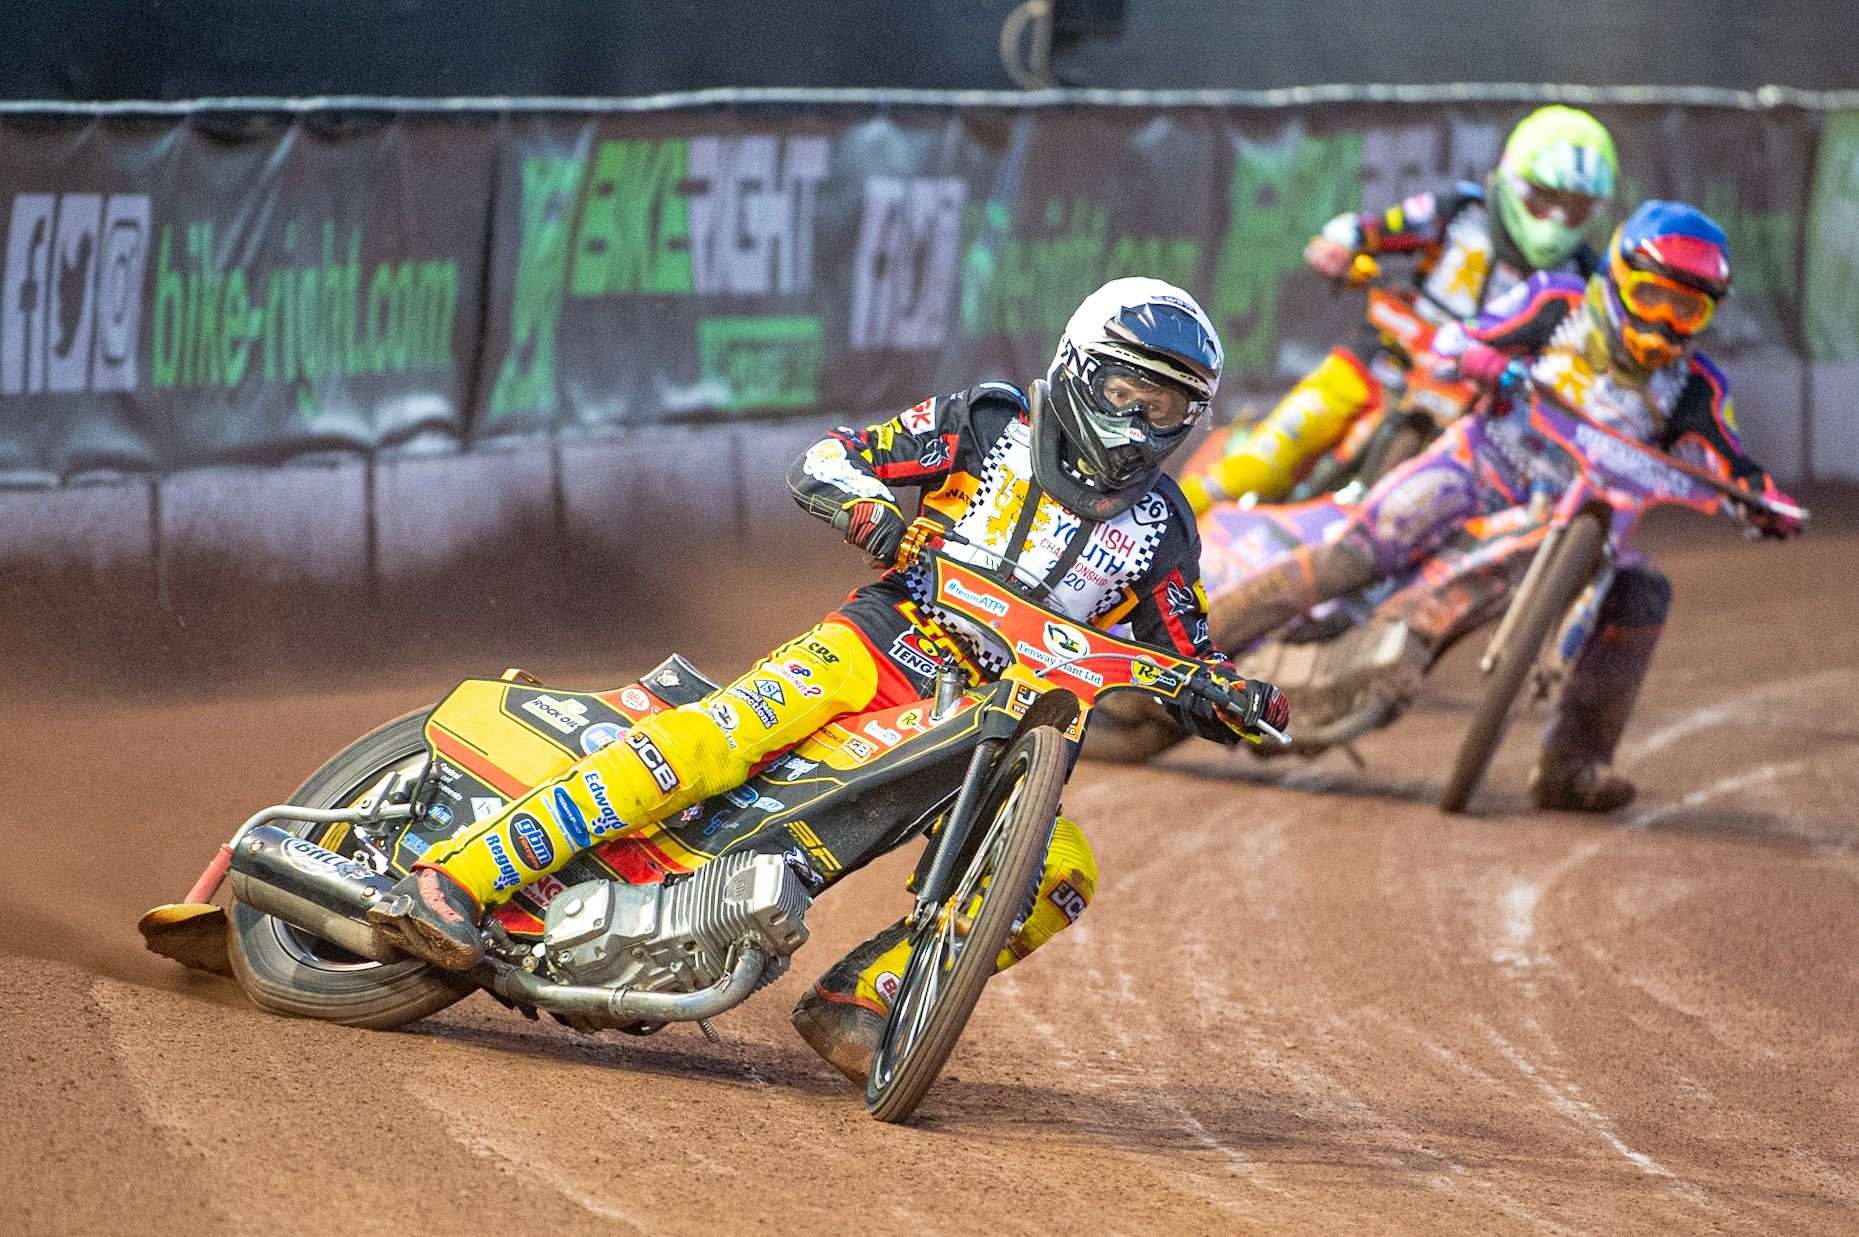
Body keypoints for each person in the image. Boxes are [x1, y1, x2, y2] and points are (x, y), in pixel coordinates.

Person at [368, 278, 1288, 1082]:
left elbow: (1184, 650)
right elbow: (828, 457)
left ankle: (862, 999)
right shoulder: (989, 424)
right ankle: (463, 874)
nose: (1143, 419)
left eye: (1169, 407)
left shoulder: (1164, 527)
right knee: (712, 740)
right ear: (1083, 369)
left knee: (1062, 870)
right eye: (1130, 389)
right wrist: (869, 514)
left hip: (985, 732)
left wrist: (1234, 695)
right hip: (876, 648)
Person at [1188, 201, 1798, 811]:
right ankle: (1188, 655)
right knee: (1354, 557)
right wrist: (1479, 356)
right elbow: (1458, 339)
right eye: (1653, 297)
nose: (1665, 321)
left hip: (1571, 519)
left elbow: (1729, 462)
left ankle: (1573, 766)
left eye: (1687, 308)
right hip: (1478, 466)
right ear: (1617, 276)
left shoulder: (1697, 387)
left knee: (1644, 591)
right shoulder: (1560, 305)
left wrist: (1763, 502)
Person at [1179, 105, 1620, 515]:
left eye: (1576, 207)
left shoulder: (1585, 278)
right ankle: (1171, 518)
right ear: (1512, 179)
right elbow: (1368, 228)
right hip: (1377, 366)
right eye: (1543, 199)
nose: (1556, 220)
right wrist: (1339, 246)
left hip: (1476, 411)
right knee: (1266, 459)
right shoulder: (1460, 213)